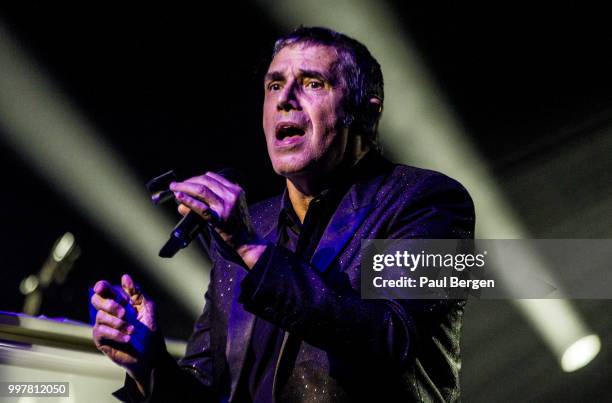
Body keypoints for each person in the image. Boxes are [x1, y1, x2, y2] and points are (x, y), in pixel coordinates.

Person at [91, 26, 474, 402]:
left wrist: (251, 251)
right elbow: (210, 387)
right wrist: (149, 365)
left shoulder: (428, 201)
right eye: (274, 85)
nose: (284, 99)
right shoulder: (252, 225)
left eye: (312, 83)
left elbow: (393, 337)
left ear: (365, 115)